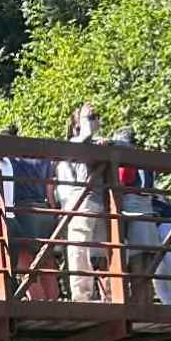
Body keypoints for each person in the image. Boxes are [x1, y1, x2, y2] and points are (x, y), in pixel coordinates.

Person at [111, 126, 171, 309]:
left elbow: (144, 188)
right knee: (161, 276)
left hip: (165, 224)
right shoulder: (143, 162)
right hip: (164, 224)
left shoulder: (136, 160)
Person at [53, 103, 112, 302]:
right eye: (91, 118)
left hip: (97, 203)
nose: (95, 120)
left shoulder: (96, 143)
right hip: (81, 203)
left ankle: (110, 294)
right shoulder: (75, 142)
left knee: (103, 252)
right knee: (79, 249)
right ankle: (82, 296)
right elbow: (85, 139)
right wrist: (86, 119)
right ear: (78, 124)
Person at [0, 125, 58, 302]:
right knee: (46, 261)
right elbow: (50, 191)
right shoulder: (42, 159)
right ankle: (53, 304)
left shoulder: (9, 160)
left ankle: (37, 304)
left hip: (24, 212)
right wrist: (55, 213)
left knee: (25, 261)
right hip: (45, 212)